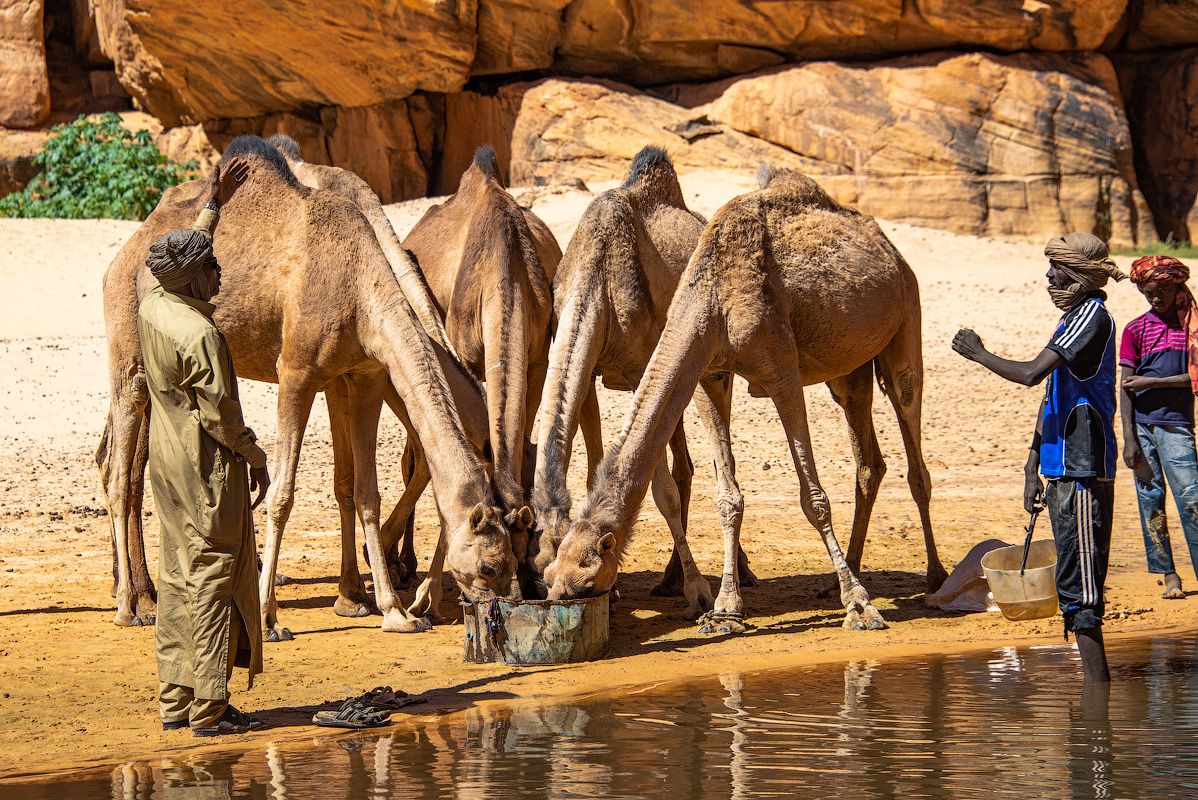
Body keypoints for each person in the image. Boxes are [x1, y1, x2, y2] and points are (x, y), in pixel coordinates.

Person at [952, 231, 1126, 682]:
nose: (1049, 276)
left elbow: (1031, 374)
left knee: (1081, 585)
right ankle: (1094, 707)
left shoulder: (1092, 316)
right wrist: (1033, 466)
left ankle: (1096, 710)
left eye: (1058, 269)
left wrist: (980, 354)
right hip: (1064, 465)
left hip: (1084, 465)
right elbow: (1051, 393)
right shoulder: (1074, 317)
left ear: (1081, 276)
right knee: (1073, 578)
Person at [139, 157, 272, 735]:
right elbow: (223, 418)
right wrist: (257, 456)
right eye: (213, 269)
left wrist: (214, 203)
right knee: (213, 577)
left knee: (175, 576)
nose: (221, 275)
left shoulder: (154, 305)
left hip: (165, 467)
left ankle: (175, 701)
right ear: (197, 281)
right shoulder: (204, 335)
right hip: (205, 472)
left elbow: (185, 249)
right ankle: (210, 707)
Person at [1120, 255, 1198, 600]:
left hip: (1178, 427)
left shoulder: (1191, 328)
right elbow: (1125, 388)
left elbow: (1195, 377)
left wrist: (1155, 383)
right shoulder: (1135, 329)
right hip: (1142, 427)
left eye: (1161, 293)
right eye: (1149, 293)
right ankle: (1168, 574)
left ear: (1175, 287)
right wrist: (1129, 438)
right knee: (1150, 502)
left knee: (1192, 501)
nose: (1155, 299)